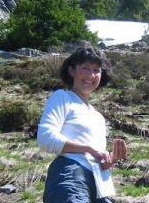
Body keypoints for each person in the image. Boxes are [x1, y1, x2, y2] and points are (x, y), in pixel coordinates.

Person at [37, 46, 127, 203]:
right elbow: (45, 138)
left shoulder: (98, 117)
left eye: (96, 70)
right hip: (70, 177)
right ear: (72, 71)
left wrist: (109, 159)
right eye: (85, 68)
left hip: (98, 185)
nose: (91, 75)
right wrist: (88, 149)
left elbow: (95, 156)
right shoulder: (62, 97)